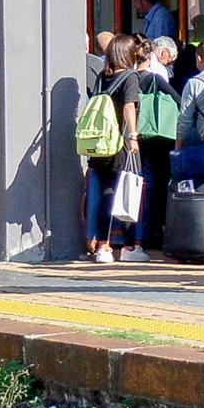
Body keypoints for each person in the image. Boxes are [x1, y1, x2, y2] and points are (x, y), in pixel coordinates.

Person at [84, 35, 149, 262]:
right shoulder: (130, 77)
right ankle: (129, 248)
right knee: (129, 192)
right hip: (121, 142)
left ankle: (103, 246)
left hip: (101, 143)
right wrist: (133, 136)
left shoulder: (103, 76)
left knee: (106, 195)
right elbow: (130, 107)